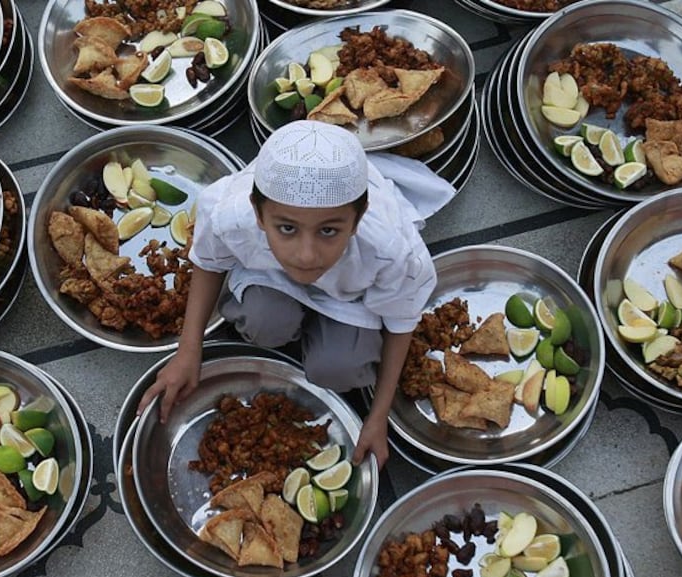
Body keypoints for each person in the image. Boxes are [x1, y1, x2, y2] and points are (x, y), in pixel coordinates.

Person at [137, 120, 455, 466]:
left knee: (339, 370)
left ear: (359, 217)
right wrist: (188, 350)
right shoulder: (232, 217)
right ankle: (289, 321)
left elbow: (400, 322)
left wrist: (377, 417)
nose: (306, 255)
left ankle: (324, 340)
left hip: (350, 296)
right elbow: (208, 262)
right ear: (259, 215)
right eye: (286, 228)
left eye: (329, 231)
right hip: (270, 274)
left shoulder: (390, 251)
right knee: (263, 324)